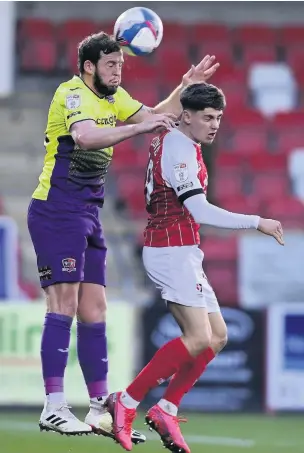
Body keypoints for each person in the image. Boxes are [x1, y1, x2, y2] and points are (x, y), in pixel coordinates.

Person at [27, 30, 219, 440]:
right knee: (63, 302)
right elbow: (85, 137)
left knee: (95, 308)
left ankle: (99, 407)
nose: (119, 71)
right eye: (112, 64)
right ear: (89, 66)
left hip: (89, 212)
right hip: (57, 209)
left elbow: (152, 114)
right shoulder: (73, 93)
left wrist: (184, 87)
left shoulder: (115, 98)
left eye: (122, 64)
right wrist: (135, 129)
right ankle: (54, 406)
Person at [106, 83, 284, 452]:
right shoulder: (178, 149)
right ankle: (126, 402)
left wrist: (186, 83)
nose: (215, 124)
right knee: (199, 337)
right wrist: (257, 221)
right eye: (207, 117)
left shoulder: (179, 138)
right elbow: (200, 210)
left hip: (184, 249)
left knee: (217, 336)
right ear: (187, 117)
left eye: (218, 117)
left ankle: (167, 409)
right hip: (169, 250)